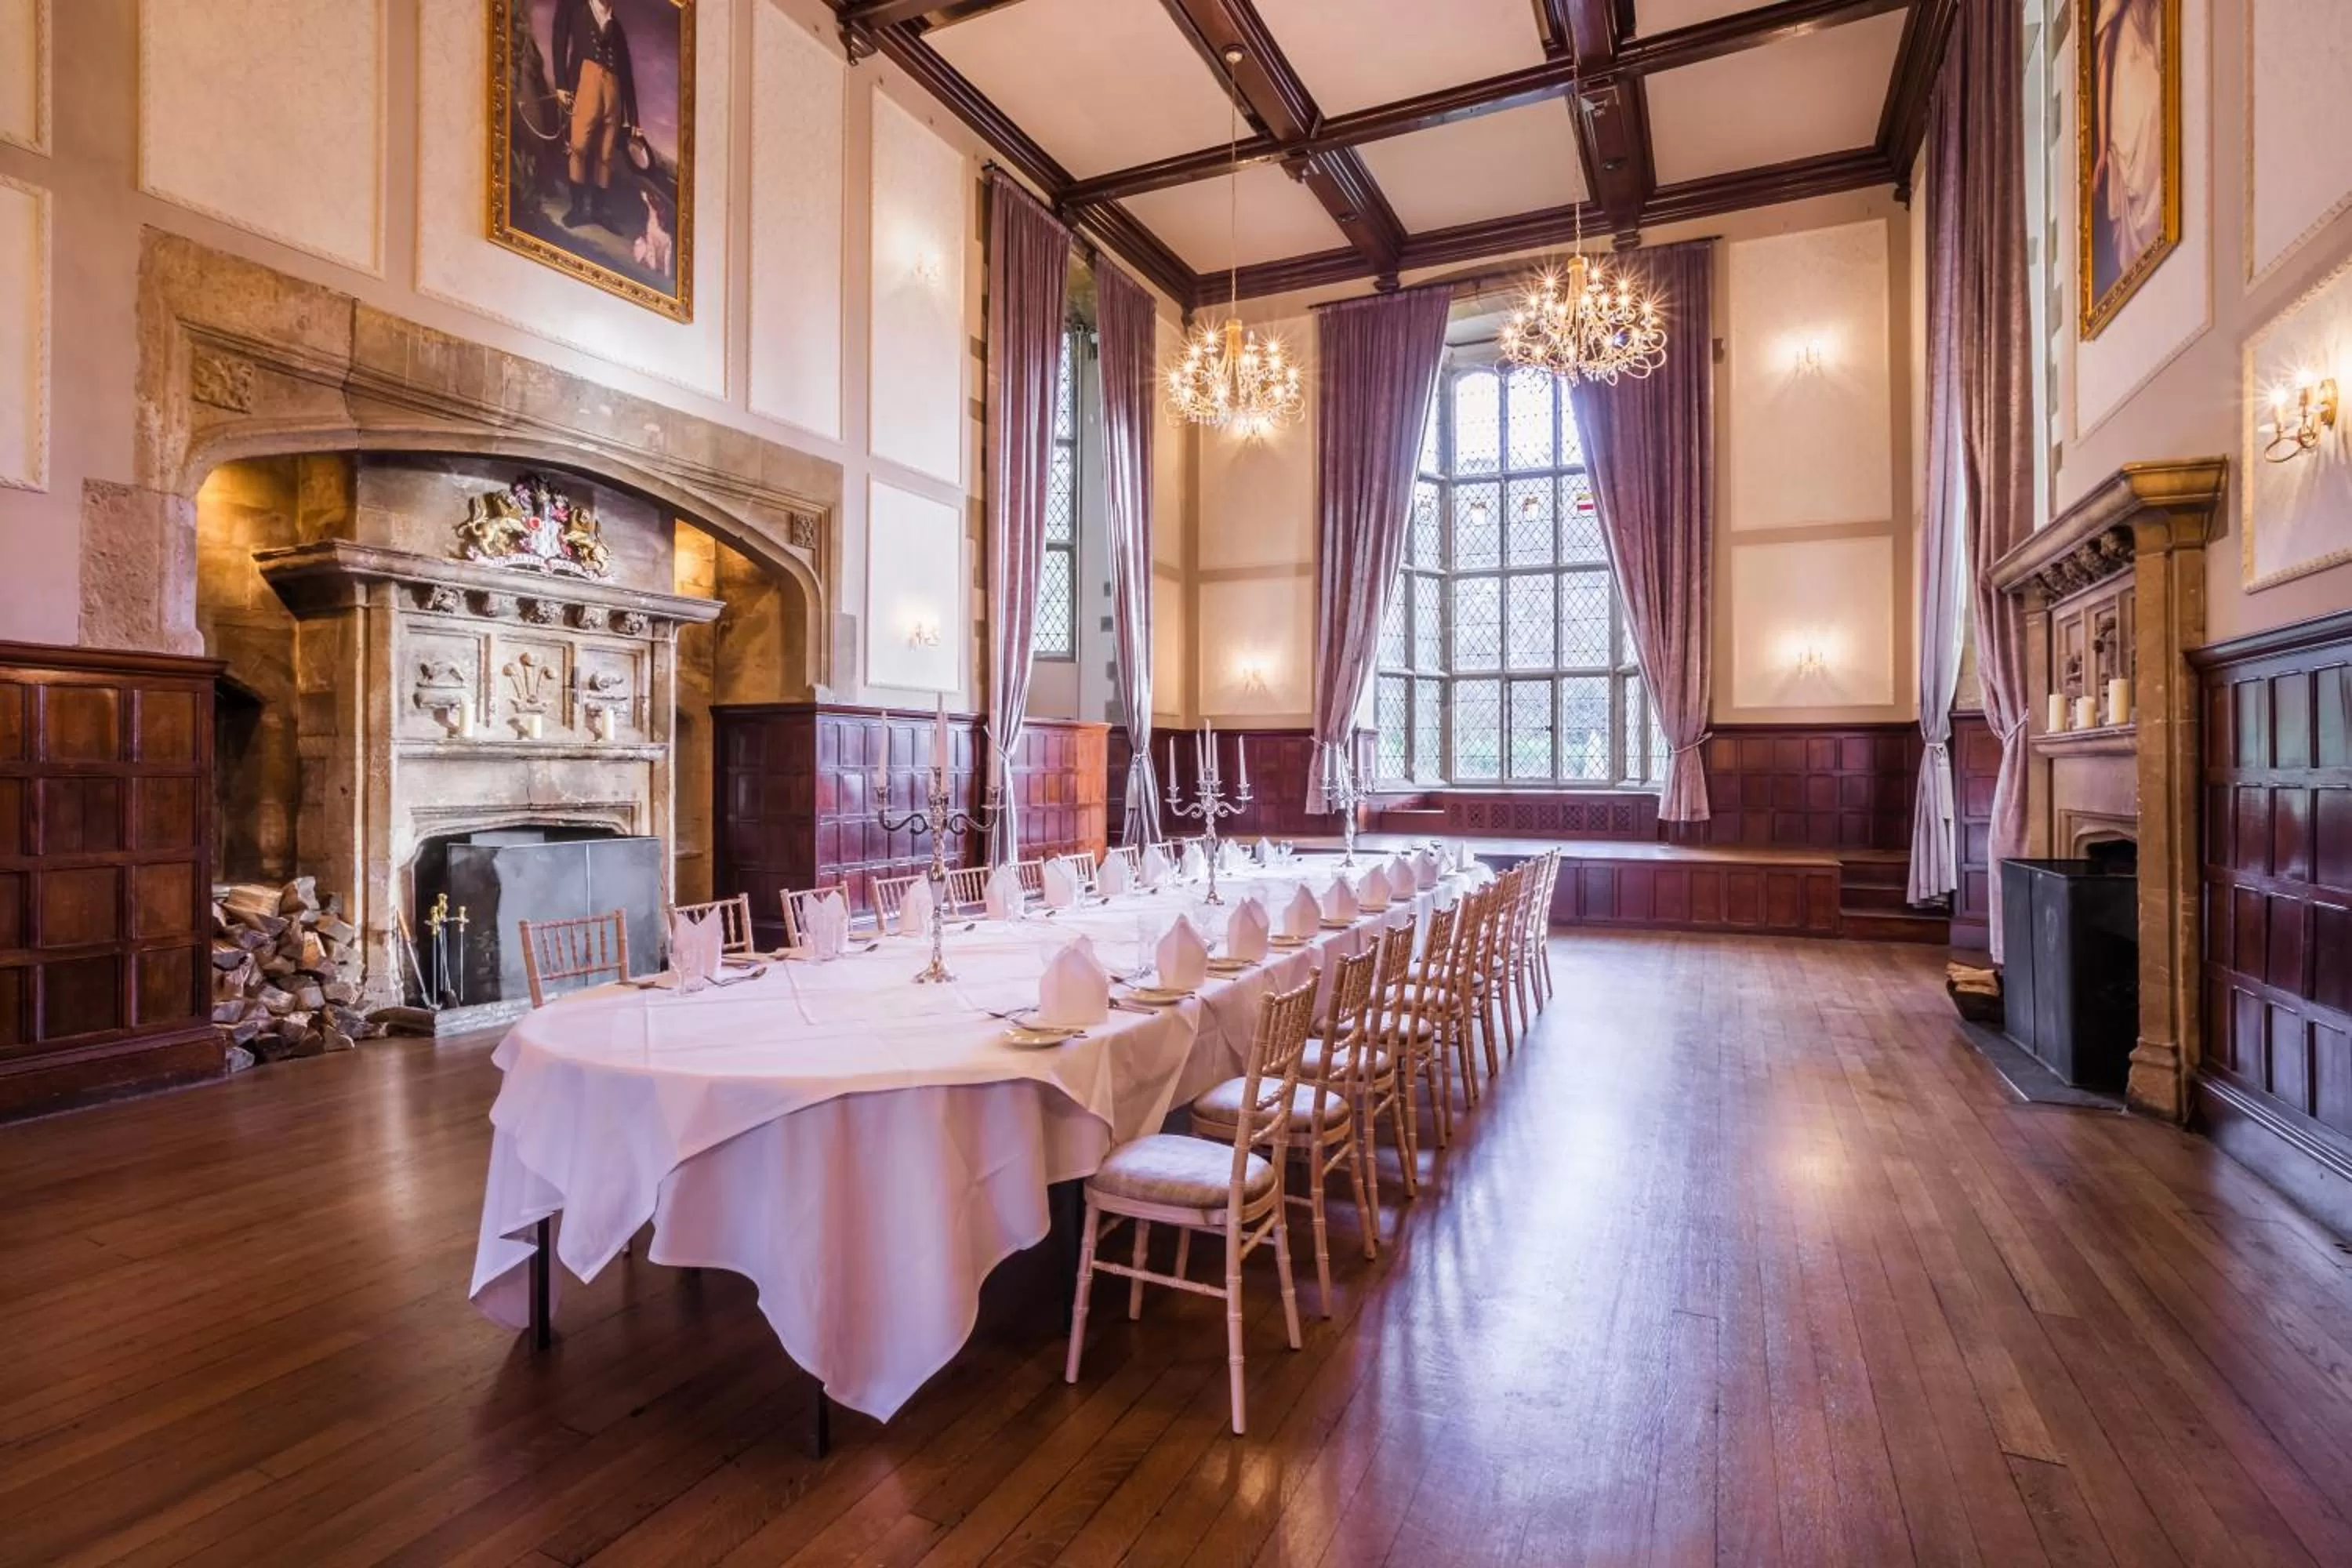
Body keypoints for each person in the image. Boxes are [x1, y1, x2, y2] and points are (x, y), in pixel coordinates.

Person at [552, 0, 638, 232]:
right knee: (578, 147)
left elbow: (627, 73)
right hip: (585, 81)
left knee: (606, 154)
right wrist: (561, 83)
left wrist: (634, 118)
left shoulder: (616, 26)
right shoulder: (574, 6)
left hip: (614, 90)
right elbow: (559, 38)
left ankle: (599, 211)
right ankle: (578, 208)